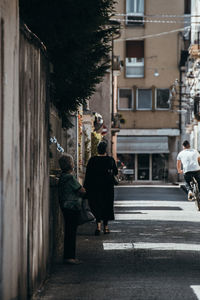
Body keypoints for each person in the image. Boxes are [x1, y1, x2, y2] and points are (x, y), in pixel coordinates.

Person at [84, 141, 118, 235]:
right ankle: (106, 227)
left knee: (97, 205)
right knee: (107, 206)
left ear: (97, 150)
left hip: (95, 188)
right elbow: (115, 172)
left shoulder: (92, 160)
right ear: (106, 150)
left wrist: (85, 189)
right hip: (107, 188)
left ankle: (98, 226)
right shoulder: (110, 160)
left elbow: (88, 176)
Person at [58, 154, 85, 265]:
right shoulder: (69, 177)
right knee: (71, 232)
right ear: (70, 164)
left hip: (65, 205)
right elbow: (81, 190)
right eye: (73, 162)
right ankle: (70, 257)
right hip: (72, 206)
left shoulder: (62, 176)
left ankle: (69, 256)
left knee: (69, 231)